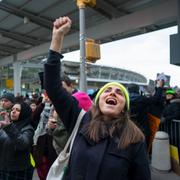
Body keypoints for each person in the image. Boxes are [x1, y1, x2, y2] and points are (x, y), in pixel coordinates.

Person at [44, 16, 151, 180]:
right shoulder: (81, 120)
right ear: (98, 101)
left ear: (124, 107)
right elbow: (52, 87)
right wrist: (57, 38)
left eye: (119, 92)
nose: (112, 93)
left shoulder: (135, 139)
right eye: (107, 91)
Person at [0, 102, 34, 179]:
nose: (13, 111)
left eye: (17, 110)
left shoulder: (28, 129)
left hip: (18, 171)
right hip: (3, 168)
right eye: (12, 109)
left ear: (24, 113)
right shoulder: (6, 126)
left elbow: (22, 144)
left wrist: (8, 127)